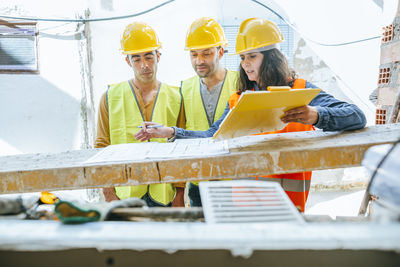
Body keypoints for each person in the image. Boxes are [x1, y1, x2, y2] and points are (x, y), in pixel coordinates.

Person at [135, 18, 367, 211]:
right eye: (243, 57)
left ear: (271, 57)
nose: (245, 64)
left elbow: (356, 115)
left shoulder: (300, 90)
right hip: (246, 205)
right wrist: (172, 131)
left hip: (289, 206)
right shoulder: (239, 98)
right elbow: (213, 134)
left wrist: (316, 115)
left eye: (252, 56)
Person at [95, 22, 185, 207]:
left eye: (148, 57)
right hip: (124, 194)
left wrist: (179, 195)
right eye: (136, 59)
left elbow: (183, 147)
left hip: (164, 193)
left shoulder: (176, 97)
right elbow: (101, 147)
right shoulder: (110, 97)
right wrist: (108, 192)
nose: (144, 65)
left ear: (158, 56)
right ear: (128, 61)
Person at [180, 17, 238, 207]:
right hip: (199, 181)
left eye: (206, 53)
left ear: (220, 52)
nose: (199, 60)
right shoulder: (184, 89)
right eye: (194, 54)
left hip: (235, 180)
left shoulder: (241, 83)